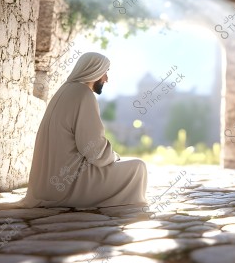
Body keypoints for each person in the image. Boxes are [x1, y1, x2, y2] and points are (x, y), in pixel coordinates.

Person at [18, 51, 148, 208]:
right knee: (138, 167)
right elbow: (94, 151)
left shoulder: (63, 91)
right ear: (95, 71)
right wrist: (113, 156)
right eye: (105, 72)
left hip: (44, 188)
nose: (106, 79)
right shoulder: (84, 94)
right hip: (69, 184)